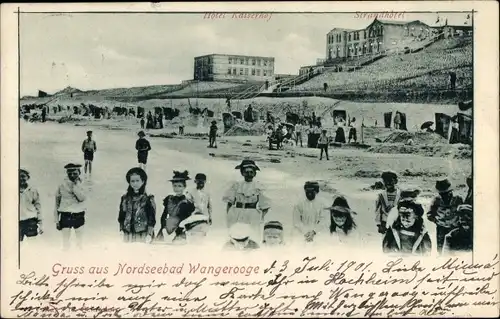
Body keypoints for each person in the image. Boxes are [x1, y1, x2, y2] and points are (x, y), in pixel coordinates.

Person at [223, 160, 271, 242]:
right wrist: (230, 215)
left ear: (255, 173)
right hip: (237, 213)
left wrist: (259, 217)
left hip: (252, 215)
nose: (249, 174)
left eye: (251, 172)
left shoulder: (259, 186)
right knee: (236, 235)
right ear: (242, 173)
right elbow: (229, 202)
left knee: (252, 236)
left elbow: (265, 206)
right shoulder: (237, 185)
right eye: (246, 172)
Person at [118, 167, 156, 243]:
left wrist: (150, 228)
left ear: (143, 181)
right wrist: (122, 224)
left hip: (141, 231)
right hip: (128, 232)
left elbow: (151, 215)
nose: (135, 183)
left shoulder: (147, 199)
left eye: (137, 181)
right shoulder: (125, 198)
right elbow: (122, 213)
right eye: (132, 181)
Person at [157, 171, 196, 244]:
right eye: (175, 186)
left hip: (179, 229)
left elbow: (185, 219)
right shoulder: (169, 199)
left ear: (184, 187)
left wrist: (177, 231)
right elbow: (164, 215)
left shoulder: (186, 203)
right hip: (167, 228)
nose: (177, 188)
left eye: (179, 186)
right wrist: (163, 228)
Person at [54, 163, 87, 251]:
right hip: (65, 215)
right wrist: (56, 220)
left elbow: (81, 198)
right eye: (69, 173)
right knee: (65, 244)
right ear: (67, 173)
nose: (72, 175)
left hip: (79, 214)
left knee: (80, 244)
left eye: (75, 173)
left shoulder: (82, 184)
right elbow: (57, 203)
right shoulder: (61, 185)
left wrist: (75, 186)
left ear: (79, 172)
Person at [427, 178, 464, 254]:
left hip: (454, 228)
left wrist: (458, 221)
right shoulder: (436, 200)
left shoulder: (458, 199)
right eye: (441, 194)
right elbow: (429, 214)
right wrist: (437, 221)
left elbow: (462, 212)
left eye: (446, 193)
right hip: (441, 229)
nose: (444, 195)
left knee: (454, 248)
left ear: (450, 191)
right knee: (441, 249)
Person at [19, 169, 43, 242]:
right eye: (18, 176)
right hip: (17, 221)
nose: (21, 178)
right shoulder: (11, 189)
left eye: (23, 176)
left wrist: (40, 223)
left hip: (31, 221)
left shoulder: (33, 190)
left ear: (27, 177)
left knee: (33, 242)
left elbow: (38, 206)